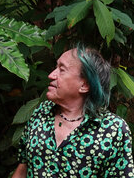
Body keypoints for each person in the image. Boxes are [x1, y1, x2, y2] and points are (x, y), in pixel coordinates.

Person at [12, 45, 134, 177]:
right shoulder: (41, 112)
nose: (51, 75)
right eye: (55, 67)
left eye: (62, 70)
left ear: (85, 85)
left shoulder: (113, 129)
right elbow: (23, 167)